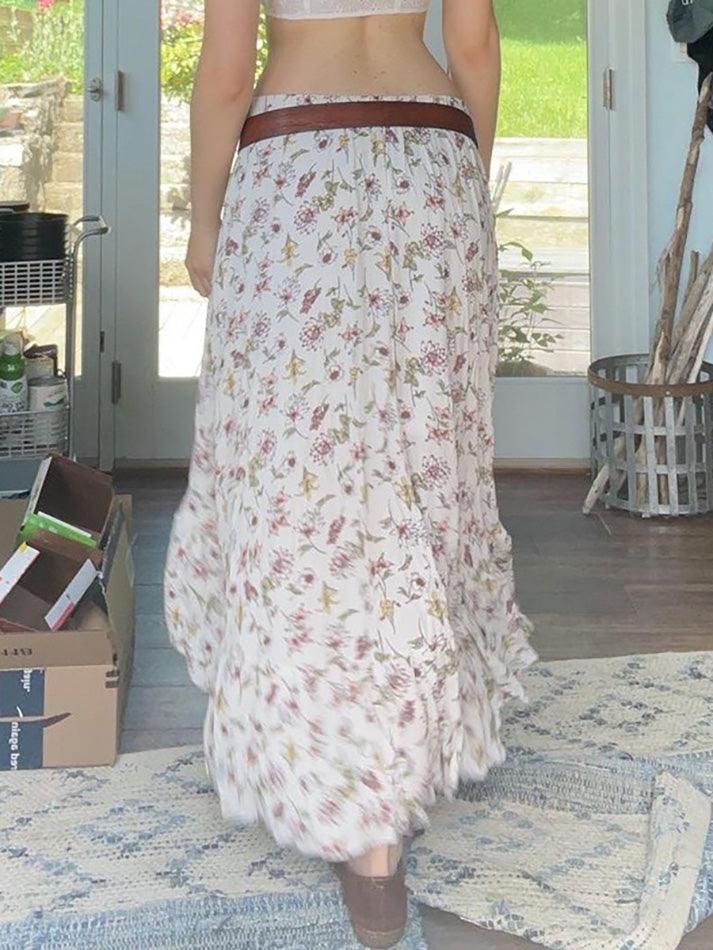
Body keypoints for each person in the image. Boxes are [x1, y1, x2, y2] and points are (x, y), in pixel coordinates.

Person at [163, 2, 537, 947]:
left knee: (301, 479)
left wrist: (204, 222)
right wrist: (463, 177)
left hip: (299, 161)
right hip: (432, 153)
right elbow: (474, 42)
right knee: (424, 467)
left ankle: (357, 816)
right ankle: (398, 760)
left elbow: (224, 72)